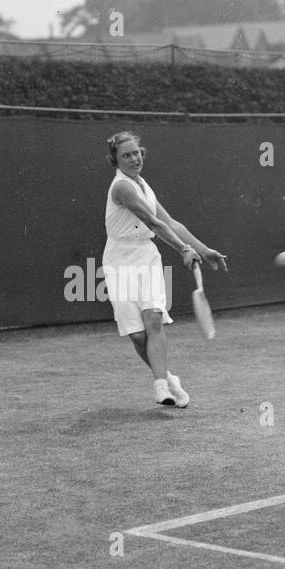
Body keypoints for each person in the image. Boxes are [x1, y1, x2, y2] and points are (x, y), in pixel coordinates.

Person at [102, 131, 227, 407]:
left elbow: (170, 222)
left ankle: (160, 388)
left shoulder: (144, 186)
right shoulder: (122, 188)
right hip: (118, 262)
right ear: (116, 161)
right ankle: (169, 379)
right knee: (137, 336)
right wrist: (183, 249)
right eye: (126, 155)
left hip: (146, 258)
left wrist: (203, 250)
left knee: (154, 320)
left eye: (136, 153)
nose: (134, 158)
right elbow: (154, 224)